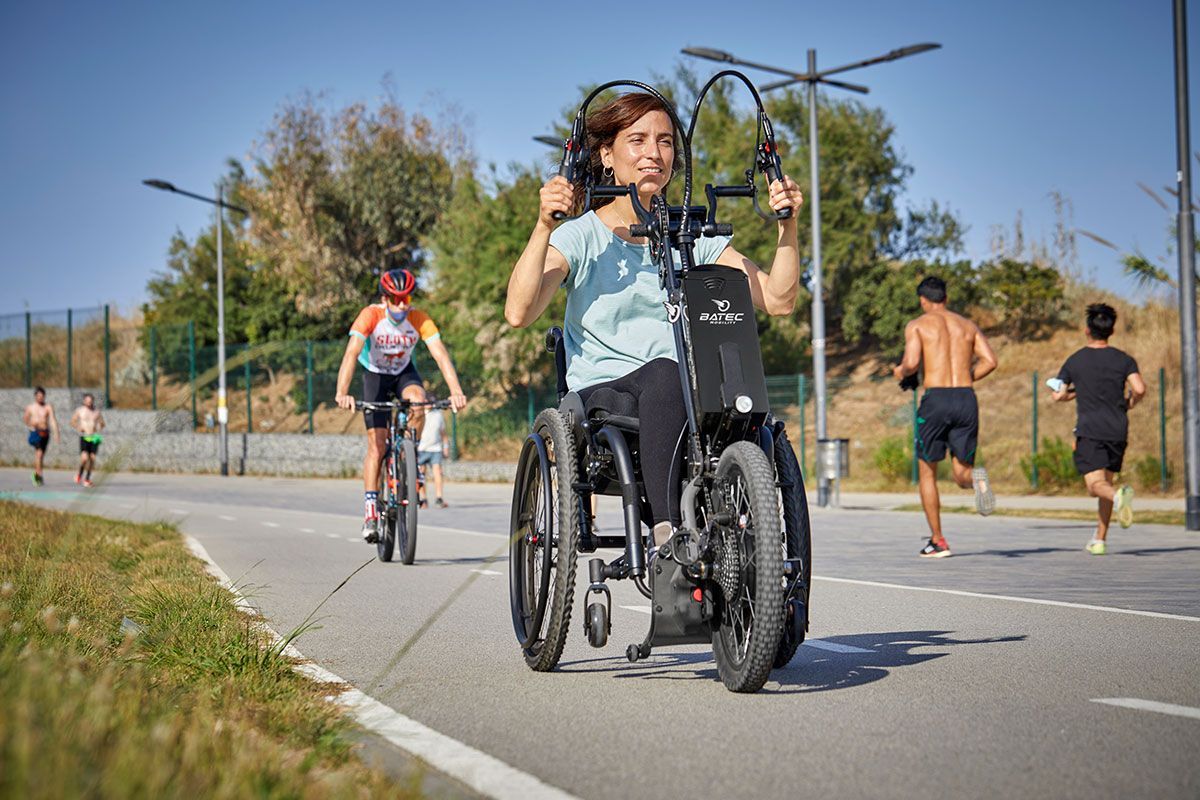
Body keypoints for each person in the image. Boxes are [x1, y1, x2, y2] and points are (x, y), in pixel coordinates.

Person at [504, 92, 803, 548]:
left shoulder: (693, 237)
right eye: (638, 140)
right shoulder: (582, 235)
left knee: (742, 407)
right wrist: (544, 225)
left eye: (665, 142)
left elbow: (779, 299)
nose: (653, 153)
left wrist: (787, 225)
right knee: (667, 373)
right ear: (607, 155)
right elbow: (519, 312)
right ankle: (669, 531)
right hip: (606, 397)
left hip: (685, 394)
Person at [334, 268, 467, 542]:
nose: (402, 305)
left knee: (418, 401)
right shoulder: (370, 315)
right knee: (377, 446)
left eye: (406, 298)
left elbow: (440, 354)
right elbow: (351, 353)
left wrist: (456, 392)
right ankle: (371, 511)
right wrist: (342, 392)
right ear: (385, 299)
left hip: (404, 373)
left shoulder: (418, 317)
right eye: (396, 299)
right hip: (375, 375)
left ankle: (409, 454)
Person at [894, 276, 998, 558]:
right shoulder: (967, 326)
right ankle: (976, 481)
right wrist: (966, 379)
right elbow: (991, 361)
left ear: (923, 300)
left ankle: (938, 540)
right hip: (965, 397)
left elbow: (912, 363)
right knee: (962, 472)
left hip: (936, 399)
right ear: (946, 298)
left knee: (928, 470)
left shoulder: (918, 325)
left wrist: (900, 371)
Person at [1051, 303, 1145, 555]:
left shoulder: (1075, 360)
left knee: (1095, 486)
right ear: (1111, 331)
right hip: (1118, 429)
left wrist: (1063, 395)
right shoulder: (1124, 359)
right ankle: (1100, 539)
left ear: (1087, 330)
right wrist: (1130, 403)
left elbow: (1059, 394)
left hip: (1090, 429)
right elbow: (1139, 388)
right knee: (1106, 483)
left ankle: (1118, 498)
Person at [22, 387, 60, 486]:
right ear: (35, 396)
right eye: (38, 396)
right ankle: (39, 475)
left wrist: (56, 433)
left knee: (41, 455)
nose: (40, 398)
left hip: (45, 432)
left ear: (44, 396)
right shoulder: (30, 407)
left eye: (42, 396)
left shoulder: (48, 407)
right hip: (35, 432)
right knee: (39, 453)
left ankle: (37, 473)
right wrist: (31, 424)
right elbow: (25, 419)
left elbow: (52, 420)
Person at [417, 397, 450, 509]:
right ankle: (423, 498)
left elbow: (443, 433)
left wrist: (445, 446)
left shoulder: (438, 415)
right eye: (427, 402)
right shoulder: (419, 413)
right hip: (421, 448)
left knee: (438, 472)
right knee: (421, 474)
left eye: (431, 402)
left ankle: (439, 498)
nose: (429, 404)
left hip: (435, 448)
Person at [70, 393, 105, 488]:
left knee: (92, 458)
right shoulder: (80, 411)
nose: (89, 403)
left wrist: (99, 427)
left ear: (92, 401)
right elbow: (72, 421)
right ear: (84, 401)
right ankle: (79, 474)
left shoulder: (96, 412)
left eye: (91, 401)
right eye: (87, 401)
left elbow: (102, 423)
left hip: (93, 437)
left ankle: (87, 479)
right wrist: (78, 426)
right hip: (84, 436)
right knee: (85, 458)